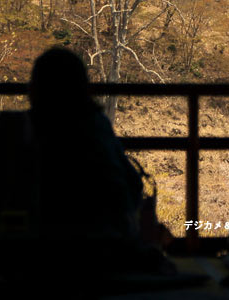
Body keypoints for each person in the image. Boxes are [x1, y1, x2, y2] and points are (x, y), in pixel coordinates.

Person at [28, 47, 144, 241]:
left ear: (36, 88)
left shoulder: (30, 128)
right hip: (112, 244)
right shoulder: (97, 124)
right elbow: (132, 185)